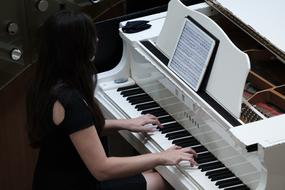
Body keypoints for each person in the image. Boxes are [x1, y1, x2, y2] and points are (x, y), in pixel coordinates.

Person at [26, 10, 197, 190]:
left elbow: (75, 131)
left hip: (51, 180)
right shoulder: (70, 100)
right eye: (92, 37)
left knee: (154, 171)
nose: (98, 41)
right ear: (77, 47)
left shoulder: (44, 84)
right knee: (166, 181)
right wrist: (162, 156)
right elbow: (102, 169)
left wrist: (123, 124)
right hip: (79, 184)